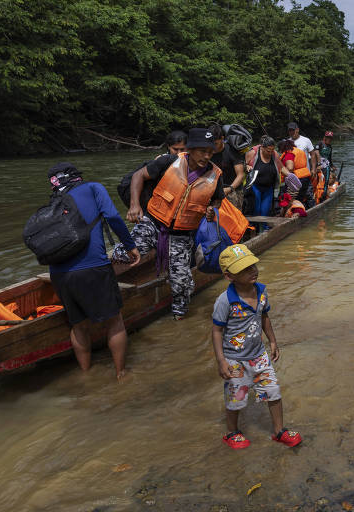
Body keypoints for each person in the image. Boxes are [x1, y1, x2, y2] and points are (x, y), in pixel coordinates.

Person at [112, 128, 225, 320]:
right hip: (154, 222)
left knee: (181, 284)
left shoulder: (216, 175)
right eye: (202, 151)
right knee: (125, 253)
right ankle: (107, 277)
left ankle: (179, 321)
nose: (206, 156)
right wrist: (134, 205)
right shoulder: (169, 162)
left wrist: (211, 209)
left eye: (210, 152)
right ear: (190, 150)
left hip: (182, 233)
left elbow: (217, 200)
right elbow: (139, 176)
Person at [45, 163, 141, 379]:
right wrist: (130, 245)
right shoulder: (93, 188)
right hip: (93, 269)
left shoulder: (54, 202)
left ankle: (86, 376)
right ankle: (121, 374)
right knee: (115, 321)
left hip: (59, 274)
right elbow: (114, 217)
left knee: (78, 326)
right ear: (77, 177)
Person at [212, 244, 302, 449]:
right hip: (235, 359)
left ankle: (279, 431)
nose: (252, 270)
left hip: (259, 355)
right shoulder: (225, 301)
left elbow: (264, 317)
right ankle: (232, 433)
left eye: (252, 265)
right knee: (236, 397)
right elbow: (217, 331)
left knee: (273, 391)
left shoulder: (261, 291)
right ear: (229, 276)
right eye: (244, 269)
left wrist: (272, 340)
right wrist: (221, 361)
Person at [244, 136, 286, 232]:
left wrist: (291, 176)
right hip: (255, 187)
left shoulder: (274, 155)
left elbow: (281, 167)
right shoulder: (253, 153)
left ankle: (263, 231)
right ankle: (253, 231)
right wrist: (246, 166)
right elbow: (243, 163)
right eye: (268, 151)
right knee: (256, 210)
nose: (270, 153)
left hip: (269, 188)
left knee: (264, 212)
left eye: (272, 150)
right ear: (262, 147)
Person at [210, 124, 247, 210]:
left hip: (233, 191)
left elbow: (240, 175)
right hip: (214, 191)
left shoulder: (232, 151)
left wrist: (229, 189)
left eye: (216, 143)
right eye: (211, 143)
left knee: (233, 219)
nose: (213, 146)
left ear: (222, 139)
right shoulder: (208, 152)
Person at [287, 122, 315, 204]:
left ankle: (312, 211)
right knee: (294, 197)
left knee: (309, 195)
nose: (291, 132)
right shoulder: (287, 142)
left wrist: (313, 169)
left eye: (293, 130)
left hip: (305, 175)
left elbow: (312, 154)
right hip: (293, 176)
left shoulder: (306, 140)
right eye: (290, 131)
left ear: (297, 130)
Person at [312, 131, 337, 201]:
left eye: (331, 138)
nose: (329, 140)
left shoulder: (330, 147)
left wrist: (332, 166)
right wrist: (319, 164)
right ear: (325, 137)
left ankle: (324, 195)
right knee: (316, 180)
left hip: (326, 164)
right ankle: (314, 196)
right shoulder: (320, 144)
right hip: (318, 164)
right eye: (328, 138)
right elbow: (316, 152)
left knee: (326, 181)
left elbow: (329, 158)